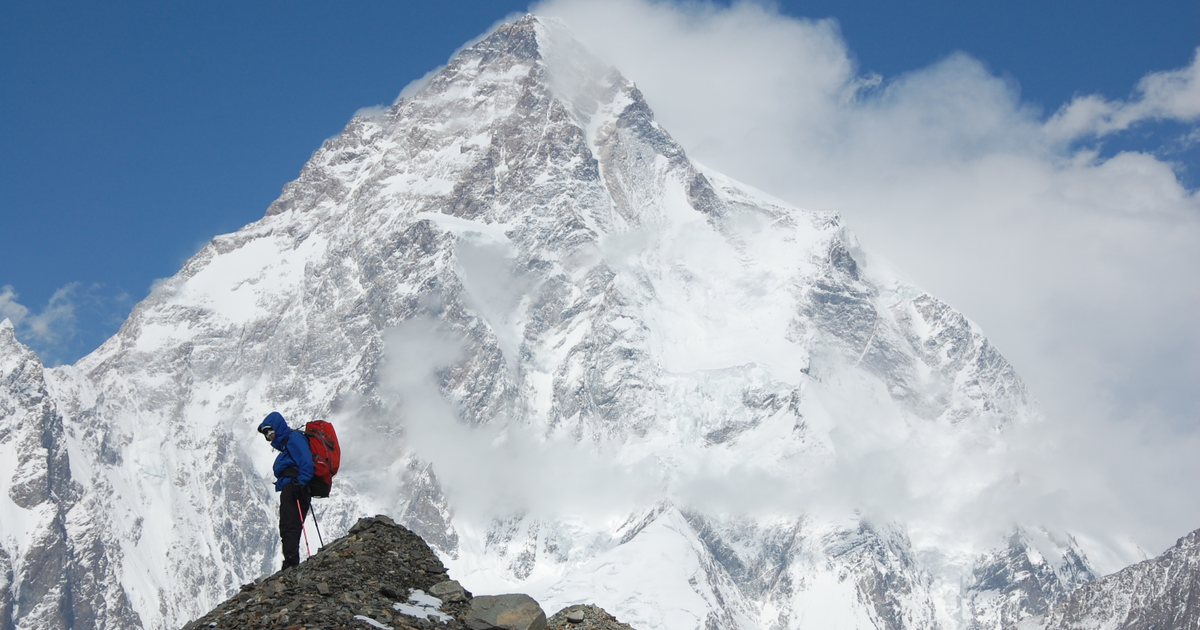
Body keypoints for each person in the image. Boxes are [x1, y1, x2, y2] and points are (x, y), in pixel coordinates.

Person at [257, 411, 314, 570]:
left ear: (278, 427)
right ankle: (290, 561)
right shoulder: (288, 443)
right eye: (266, 434)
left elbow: (306, 462)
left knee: (290, 524)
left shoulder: (293, 438)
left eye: (271, 431)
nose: (269, 436)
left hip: (295, 487)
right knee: (289, 524)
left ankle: (291, 563)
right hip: (293, 486)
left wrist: (300, 483)